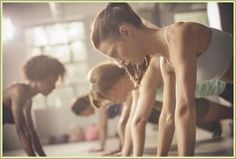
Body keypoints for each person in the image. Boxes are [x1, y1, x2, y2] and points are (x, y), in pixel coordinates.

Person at [91, 3, 233, 156]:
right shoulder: (165, 61)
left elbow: (185, 109)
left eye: (114, 53)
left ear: (125, 31)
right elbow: (168, 116)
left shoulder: (179, 35)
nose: (119, 62)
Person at [88, 62, 233, 156]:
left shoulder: (142, 78)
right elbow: (132, 121)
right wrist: (125, 152)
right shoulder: (136, 86)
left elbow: (138, 121)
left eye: (109, 98)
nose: (112, 102)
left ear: (115, 86)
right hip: (216, 87)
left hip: (223, 81)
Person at [3, 55, 66, 156]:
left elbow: (32, 132)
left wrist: (43, 156)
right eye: (50, 82)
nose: (53, 87)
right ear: (37, 78)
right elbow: (22, 131)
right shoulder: (18, 91)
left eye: (54, 83)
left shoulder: (28, 101)